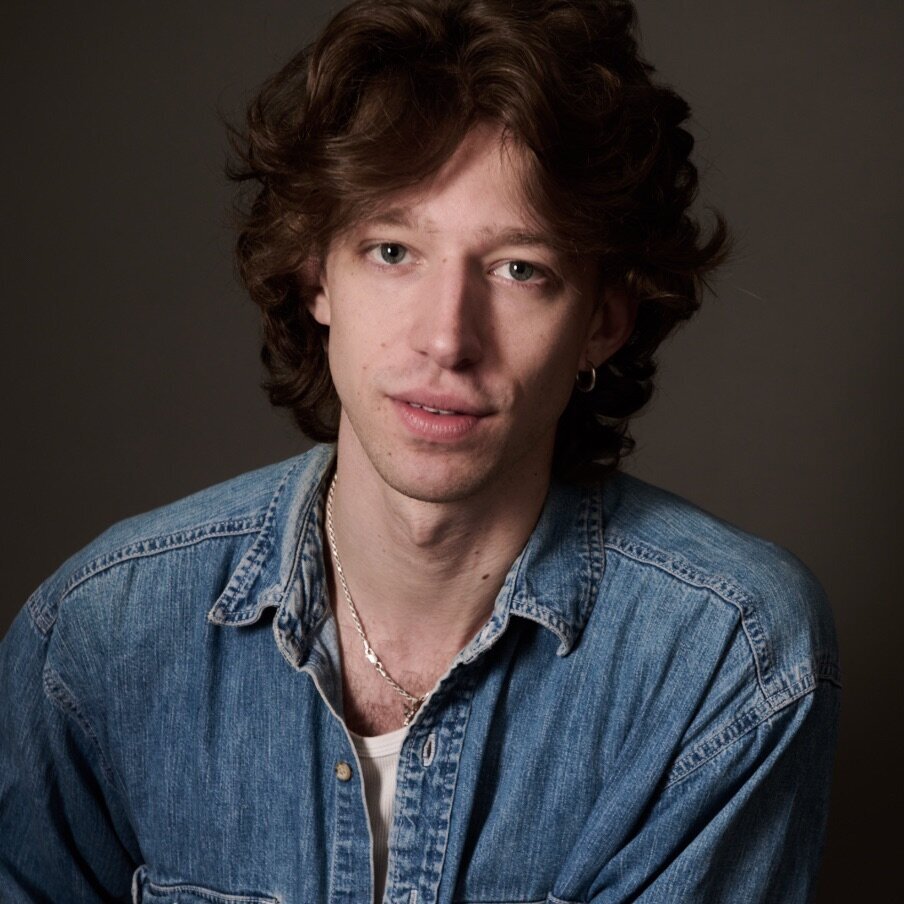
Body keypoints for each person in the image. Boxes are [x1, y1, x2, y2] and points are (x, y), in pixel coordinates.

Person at [0, 1, 840, 902]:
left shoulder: (725, 655)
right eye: (393, 251)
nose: (447, 338)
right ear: (316, 275)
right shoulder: (100, 634)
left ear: (602, 323)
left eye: (520, 269)